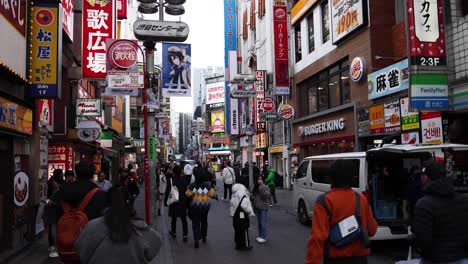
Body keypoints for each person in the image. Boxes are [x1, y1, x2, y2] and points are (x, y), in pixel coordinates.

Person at [305, 160, 378, 264]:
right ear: (352, 177)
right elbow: (372, 230)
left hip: (335, 259)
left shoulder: (324, 201)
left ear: (331, 177)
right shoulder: (361, 199)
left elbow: (317, 238)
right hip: (360, 259)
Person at [75, 186, 161, 264]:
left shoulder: (92, 226)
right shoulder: (139, 228)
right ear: (128, 202)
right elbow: (155, 243)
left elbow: (81, 250)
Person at [411, 159, 468, 264]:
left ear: (426, 178)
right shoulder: (463, 200)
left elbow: (424, 240)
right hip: (461, 258)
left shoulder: (424, 204)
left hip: (435, 259)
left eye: (422, 176)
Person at [51, 161, 108, 262]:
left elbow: (53, 217)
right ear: (92, 175)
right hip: (92, 244)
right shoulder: (100, 194)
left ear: (76, 174)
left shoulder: (62, 191)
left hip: (67, 244)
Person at [186, 162, 217, 248]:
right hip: (205, 206)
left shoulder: (192, 186)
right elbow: (213, 195)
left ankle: (196, 239)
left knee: (195, 223)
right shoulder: (207, 185)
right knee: (204, 221)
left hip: (195, 206)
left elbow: (187, 194)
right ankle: (204, 236)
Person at [164, 165, 190, 242]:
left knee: (174, 218)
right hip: (182, 202)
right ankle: (185, 235)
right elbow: (186, 192)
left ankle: (174, 232)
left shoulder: (171, 180)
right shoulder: (184, 180)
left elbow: (167, 192)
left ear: (174, 172)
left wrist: (165, 201)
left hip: (174, 201)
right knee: (183, 219)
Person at [45, 169, 65, 258]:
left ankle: (55, 245)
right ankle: (53, 245)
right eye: (61, 174)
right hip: (52, 208)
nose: (62, 175)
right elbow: (47, 196)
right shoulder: (51, 183)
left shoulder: (61, 182)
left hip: (60, 208)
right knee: (53, 226)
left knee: (56, 226)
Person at [230, 183, 255, 251]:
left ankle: (238, 244)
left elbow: (232, 205)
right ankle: (245, 245)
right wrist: (249, 211)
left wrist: (232, 214)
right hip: (242, 213)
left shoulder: (234, 193)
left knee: (237, 229)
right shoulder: (243, 193)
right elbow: (244, 205)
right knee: (244, 228)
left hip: (236, 214)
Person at [252, 176, 270, 244]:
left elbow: (266, 196)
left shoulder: (264, 187)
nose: (259, 181)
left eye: (261, 179)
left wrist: (262, 186)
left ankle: (264, 237)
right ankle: (260, 235)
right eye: (258, 179)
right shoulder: (256, 187)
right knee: (259, 223)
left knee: (263, 223)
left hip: (263, 207)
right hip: (257, 207)